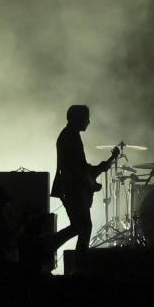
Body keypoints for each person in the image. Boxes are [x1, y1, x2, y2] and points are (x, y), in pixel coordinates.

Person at [50, 105, 117, 252]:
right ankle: (78, 266)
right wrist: (92, 179)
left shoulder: (70, 135)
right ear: (78, 118)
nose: (89, 122)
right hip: (73, 190)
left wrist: (100, 167)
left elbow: (79, 167)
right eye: (86, 118)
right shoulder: (70, 137)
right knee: (84, 227)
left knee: (78, 227)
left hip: (71, 188)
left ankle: (48, 247)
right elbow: (76, 169)